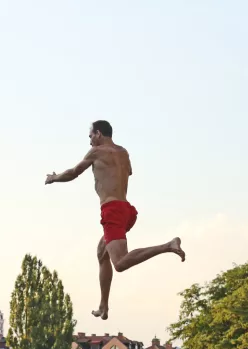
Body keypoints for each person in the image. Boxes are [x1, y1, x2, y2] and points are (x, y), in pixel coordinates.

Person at [45, 120, 185, 320]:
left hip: (112, 211)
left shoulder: (97, 152)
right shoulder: (123, 152)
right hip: (127, 210)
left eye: (91, 136)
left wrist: (54, 177)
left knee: (119, 263)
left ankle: (168, 246)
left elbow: (73, 173)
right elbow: (127, 172)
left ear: (99, 134)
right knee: (102, 253)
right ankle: (104, 306)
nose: (90, 141)